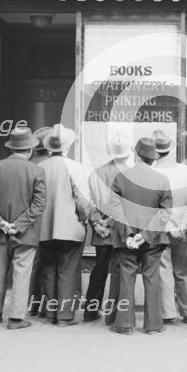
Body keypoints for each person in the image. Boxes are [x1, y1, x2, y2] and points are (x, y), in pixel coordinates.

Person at [0, 126, 46, 330]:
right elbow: (39, 204)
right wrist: (19, 225)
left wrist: (0, 223)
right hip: (25, 234)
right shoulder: (36, 170)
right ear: (30, 150)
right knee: (22, 274)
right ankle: (16, 318)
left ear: (12, 148)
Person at [111, 138, 173, 335]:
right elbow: (165, 213)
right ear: (152, 158)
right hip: (153, 239)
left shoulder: (121, 178)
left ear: (137, 154)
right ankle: (153, 325)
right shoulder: (161, 180)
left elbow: (114, 209)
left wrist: (129, 234)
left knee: (126, 278)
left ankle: (124, 324)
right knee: (151, 278)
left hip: (125, 238)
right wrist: (145, 235)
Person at [37, 124, 92, 326]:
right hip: (70, 228)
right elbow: (82, 201)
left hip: (44, 229)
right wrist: (87, 218)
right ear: (67, 146)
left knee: (49, 270)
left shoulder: (40, 168)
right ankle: (65, 316)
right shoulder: (75, 168)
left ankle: (50, 314)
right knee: (68, 271)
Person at [82, 132, 132, 323]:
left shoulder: (95, 173)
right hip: (120, 230)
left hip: (100, 231)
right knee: (119, 273)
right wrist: (110, 222)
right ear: (127, 154)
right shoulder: (131, 174)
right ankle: (114, 314)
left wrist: (97, 223)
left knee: (99, 270)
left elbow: (90, 203)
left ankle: (90, 312)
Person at [152, 129, 187, 325]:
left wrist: (169, 225)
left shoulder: (152, 173)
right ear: (170, 149)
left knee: (164, 269)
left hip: (162, 229)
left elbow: (153, 206)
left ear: (154, 152)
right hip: (184, 229)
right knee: (184, 269)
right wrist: (184, 224)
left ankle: (168, 313)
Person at [27, 126, 52, 317]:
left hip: (32, 223)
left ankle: (32, 305)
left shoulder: (30, 165)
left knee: (34, 266)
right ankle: (47, 306)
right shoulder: (52, 164)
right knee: (50, 267)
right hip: (51, 223)